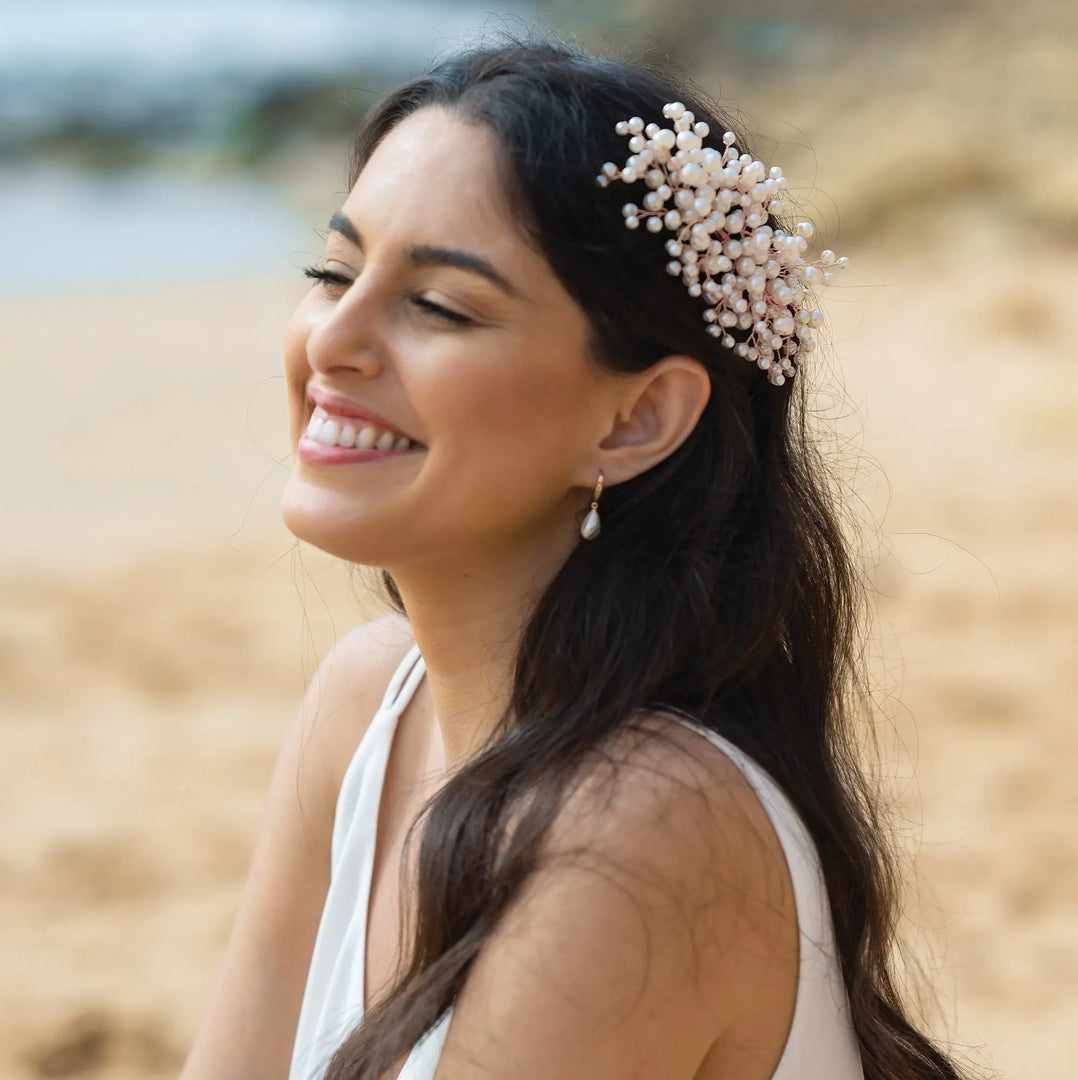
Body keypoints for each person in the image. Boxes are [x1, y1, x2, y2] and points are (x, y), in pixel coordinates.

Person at [180, 39, 967, 1080]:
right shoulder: (368, 703)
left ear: (636, 419)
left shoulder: (645, 820)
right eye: (334, 271)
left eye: (440, 307)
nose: (335, 340)